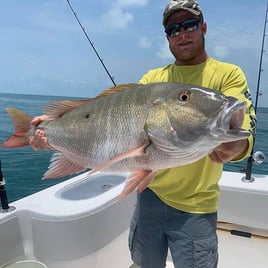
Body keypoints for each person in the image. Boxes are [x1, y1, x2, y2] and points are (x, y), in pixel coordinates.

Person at [30, 1, 256, 267]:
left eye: (190, 25)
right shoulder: (154, 78)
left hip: (196, 207)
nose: (182, 34)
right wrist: (52, 128)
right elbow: (105, 118)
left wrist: (235, 146)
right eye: (173, 29)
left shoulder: (228, 75)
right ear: (167, 37)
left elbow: (244, 138)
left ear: (203, 27)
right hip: (149, 196)